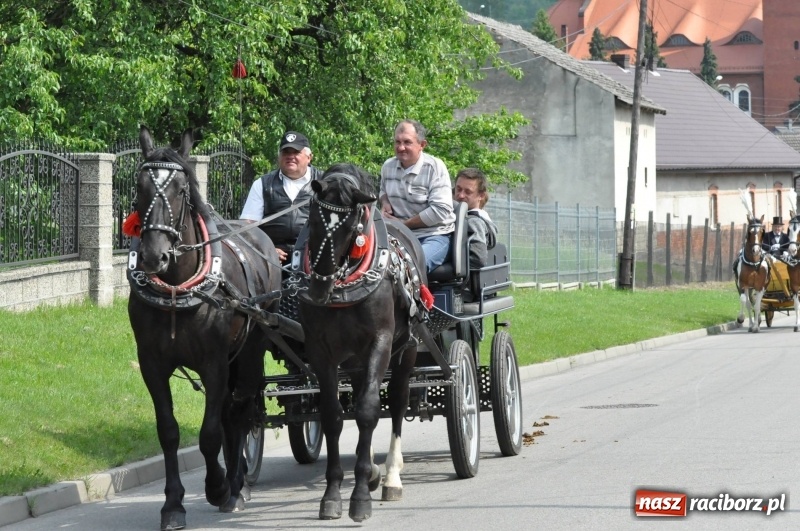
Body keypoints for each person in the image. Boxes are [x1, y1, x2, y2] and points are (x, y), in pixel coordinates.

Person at [380, 120, 455, 272]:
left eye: (407, 142)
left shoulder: (435, 168)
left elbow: (441, 210)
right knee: (372, 265)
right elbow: (382, 190)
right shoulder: (387, 167)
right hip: (397, 235)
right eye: (397, 142)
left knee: (407, 267)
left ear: (422, 144)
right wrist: (384, 201)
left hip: (434, 235)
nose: (401, 147)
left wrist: (404, 224)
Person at [240, 131, 323, 264]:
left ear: (309, 157)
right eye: (286, 152)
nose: (290, 157)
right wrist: (266, 249)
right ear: (279, 157)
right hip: (272, 261)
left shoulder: (324, 183)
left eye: (296, 152)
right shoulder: (262, 184)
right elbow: (247, 226)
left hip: (314, 260)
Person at [453, 168, 498, 269]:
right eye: (458, 189)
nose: (460, 195)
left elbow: (478, 258)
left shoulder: (474, 221)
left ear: (481, 196)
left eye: (468, 192)